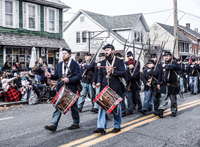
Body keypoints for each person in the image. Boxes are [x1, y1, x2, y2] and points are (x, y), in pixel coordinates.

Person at [44, 47, 81, 132]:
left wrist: (69, 80)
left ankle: (76, 123)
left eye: (65, 53)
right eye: (63, 53)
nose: (63, 55)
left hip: (71, 88)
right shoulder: (60, 64)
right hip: (61, 88)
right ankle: (53, 124)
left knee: (74, 107)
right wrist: (51, 76)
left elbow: (79, 76)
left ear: (69, 54)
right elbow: (57, 75)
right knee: (59, 106)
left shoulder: (74, 64)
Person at [93, 44, 126, 134]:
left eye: (108, 50)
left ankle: (116, 125)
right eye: (105, 50)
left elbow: (123, 73)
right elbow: (100, 74)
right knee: (101, 107)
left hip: (116, 88)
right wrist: (98, 82)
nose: (106, 52)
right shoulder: (103, 62)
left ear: (113, 51)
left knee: (116, 109)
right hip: (105, 88)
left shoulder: (119, 62)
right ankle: (101, 127)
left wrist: (113, 71)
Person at [154, 51, 180, 118]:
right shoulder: (162, 65)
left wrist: (167, 66)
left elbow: (176, 67)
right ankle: (161, 111)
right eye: (165, 56)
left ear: (170, 56)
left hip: (172, 85)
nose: (166, 57)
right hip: (164, 85)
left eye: (168, 56)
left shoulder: (174, 63)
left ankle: (174, 111)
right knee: (163, 99)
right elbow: (160, 75)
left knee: (173, 100)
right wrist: (158, 83)